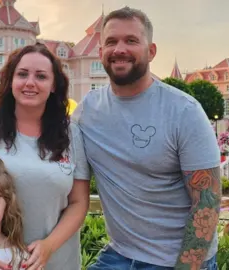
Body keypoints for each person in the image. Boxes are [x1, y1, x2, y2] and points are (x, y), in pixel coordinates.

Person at [73, 6, 221, 270]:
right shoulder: (87, 110)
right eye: (111, 42)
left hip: (177, 260)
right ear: (101, 53)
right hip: (119, 255)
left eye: (131, 40)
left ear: (151, 51)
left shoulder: (183, 111)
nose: (119, 49)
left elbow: (206, 203)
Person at [0, 43, 91, 270]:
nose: (30, 82)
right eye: (22, 74)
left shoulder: (71, 133)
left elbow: (78, 202)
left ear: (54, 85)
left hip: (57, 262)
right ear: (10, 81)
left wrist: (49, 246)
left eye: (41, 76)